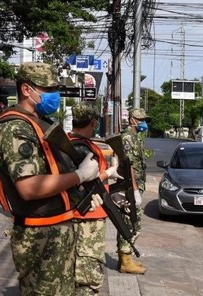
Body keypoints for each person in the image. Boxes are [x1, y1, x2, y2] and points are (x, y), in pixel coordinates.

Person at [0, 62, 102, 295]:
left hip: (57, 229)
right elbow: (29, 187)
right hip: (40, 235)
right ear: (26, 90)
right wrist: (80, 175)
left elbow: (55, 171)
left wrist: (84, 190)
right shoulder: (14, 128)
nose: (54, 95)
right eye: (48, 90)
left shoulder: (41, 123)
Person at [69, 102, 123, 295]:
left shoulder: (69, 142)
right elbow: (82, 182)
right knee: (87, 277)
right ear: (93, 122)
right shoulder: (83, 148)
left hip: (86, 214)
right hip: (86, 220)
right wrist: (107, 173)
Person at [115, 107, 150, 274]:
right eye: (140, 119)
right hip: (129, 187)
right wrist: (134, 190)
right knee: (132, 222)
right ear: (132, 120)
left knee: (130, 220)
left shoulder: (136, 137)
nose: (143, 122)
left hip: (134, 185)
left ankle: (125, 258)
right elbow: (129, 166)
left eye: (144, 119)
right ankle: (125, 260)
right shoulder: (128, 137)